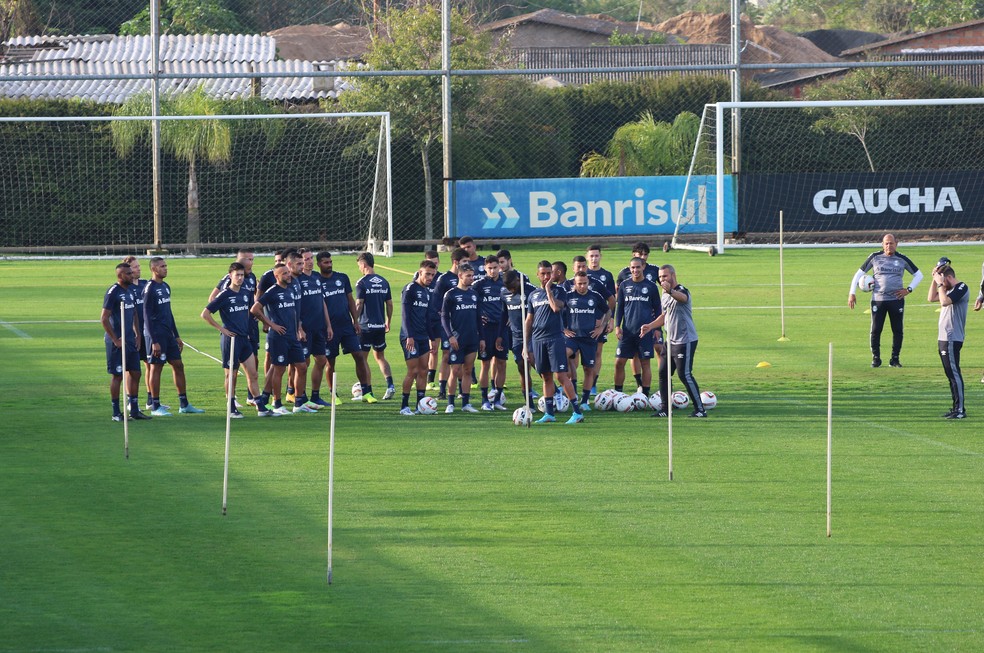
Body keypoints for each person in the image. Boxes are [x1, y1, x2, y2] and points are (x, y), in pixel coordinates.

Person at [201, 262, 271, 417]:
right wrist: (222, 329)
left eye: (242, 275)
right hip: (230, 340)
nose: (240, 278)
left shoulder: (246, 293)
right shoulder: (224, 295)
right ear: (230, 276)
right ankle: (231, 407)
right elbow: (205, 314)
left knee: (252, 373)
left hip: (244, 339)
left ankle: (260, 407)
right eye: (237, 275)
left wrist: (246, 329)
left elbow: (248, 312)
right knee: (230, 374)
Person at [848, 233, 923, 368]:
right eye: (886, 243)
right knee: (876, 329)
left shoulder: (902, 259)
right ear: (882, 245)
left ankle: (895, 359)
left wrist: (909, 289)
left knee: (897, 330)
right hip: (878, 300)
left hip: (896, 300)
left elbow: (919, 275)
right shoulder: (874, 257)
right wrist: (852, 293)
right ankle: (876, 358)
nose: (889, 246)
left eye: (891, 243)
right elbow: (858, 274)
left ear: (896, 243)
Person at [142, 257, 205, 415]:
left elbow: (168, 313)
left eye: (166, 266)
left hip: (168, 334)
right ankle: (155, 406)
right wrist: (154, 341)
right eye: (162, 266)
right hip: (156, 335)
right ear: (154, 269)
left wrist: (176, 335)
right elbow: (146, 316)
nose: (166, 268)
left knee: (178, 365)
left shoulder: (166, 287)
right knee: (156, 367)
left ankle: (184, 404)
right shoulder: (149, 288)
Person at [642, 264, 706, 418]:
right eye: (660, 277)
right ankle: (665, 408)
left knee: (685, 375)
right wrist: (650, 326)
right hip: (669, 341)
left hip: (685, 341)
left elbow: (683, 298)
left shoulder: (681, 290)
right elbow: (665, 316)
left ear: (673, 275)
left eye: (665, 276)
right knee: (663, 373)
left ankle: (700, 409)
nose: (662, 279)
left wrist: (670, 291)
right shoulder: (664, 294)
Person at [525, 260, 584, 425]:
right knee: (545, 376)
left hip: (554, 339)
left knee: (561, 376)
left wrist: (549, 289)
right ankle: (549, 414)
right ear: (538, 275)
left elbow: (556, 308)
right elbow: (529, 320)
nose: (546, 277)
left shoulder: (559, 291)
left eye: (548, 273)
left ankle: (577, 412)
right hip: (537, 340)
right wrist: (526, 343)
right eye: (543, 273)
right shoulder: (533, 295)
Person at [251, 262, 307, 415]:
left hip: (292, 336)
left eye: (288, 273)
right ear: (276, 276)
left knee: (302, 367)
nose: (288, 275)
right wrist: (270, 324)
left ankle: (299, 402)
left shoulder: (290, 289)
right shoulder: (272, 291)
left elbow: (294, 312)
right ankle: (277, 404)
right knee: (279, 369)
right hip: (278, 337)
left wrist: (297, 329)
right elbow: (255, 309)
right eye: (284, 273)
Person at [317, 251, 370, 405]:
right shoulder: (316, 281)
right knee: (330, 362)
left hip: (347, 326)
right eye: (326, 262)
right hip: (329, 329)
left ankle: (366, 392)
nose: (329, 265)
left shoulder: (342, 278)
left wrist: (356, 320)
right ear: (319, 264)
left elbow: (350, 300)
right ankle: (334, 394)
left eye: (330, 262)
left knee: (359, 356)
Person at [208, 249, 259, 406]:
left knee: (253, 364)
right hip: (232, 333)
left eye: (251, 259)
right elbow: (212, 301)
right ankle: (231, 398)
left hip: (248, 330)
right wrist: (224, 325)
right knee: (232, 371)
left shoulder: (251, 279)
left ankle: (253, 398)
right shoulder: (228, 282)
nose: (250, 262)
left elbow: (252, 301)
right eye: (246, 259)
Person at [101, 263, 150, 421]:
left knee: (136, 372)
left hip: (130, 340)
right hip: (117, 342)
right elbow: (104, 318)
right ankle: (116, 412)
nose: (132, 275)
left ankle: (134, 410)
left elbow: (135, 312)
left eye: (131, 272)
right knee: (118, 375)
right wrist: (115, 339)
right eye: (128, 273)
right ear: (120, 275)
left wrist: (137, 334)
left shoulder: (129, 291)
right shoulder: (113, 292)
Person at [613, 257, 662, 405]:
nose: (635, 270)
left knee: (645, 363)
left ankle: (645, 395)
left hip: (645, 332)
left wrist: (657, 328)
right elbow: (620, 307)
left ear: (643, 268)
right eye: (632, 268)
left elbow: (658, 309)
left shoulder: (651, 286)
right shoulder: (624, 285)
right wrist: (617, 326)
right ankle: (618, 394)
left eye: (638, 267)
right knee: (619, 362)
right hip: (627, 332)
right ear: (629, 268)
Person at [294, 248, 333, 411]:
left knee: (322, 360)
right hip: (306, 329)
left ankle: (315, 396)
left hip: (319, 328)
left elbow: (322, 301)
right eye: (305, 259)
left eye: (310, 258)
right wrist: (299, 327)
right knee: (302, 364)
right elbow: (294, 305)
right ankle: (299, 399)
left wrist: (328, 325)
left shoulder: (317, 277)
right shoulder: (296, 280)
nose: (309, 261)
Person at [564, 270, 609, 412]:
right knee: (565, 356)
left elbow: (608, 311)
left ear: (588, 283)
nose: (582, 287)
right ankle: (571, 390)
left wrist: (601, 327)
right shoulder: (567, 296)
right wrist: (563, 330)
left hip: (589, 338)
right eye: (579, 284)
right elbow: (556, 312)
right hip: (572, 337)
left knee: (588, 369)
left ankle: (584, 400)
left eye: (584, 284)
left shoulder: (595, 296)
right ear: (574, 283)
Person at [929, 260, 968, 419]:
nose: (941, 285)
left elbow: (944, 302)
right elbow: (931, 298)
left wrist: (940, 284)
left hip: (952, 337)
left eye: (943, 281)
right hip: (944, 337)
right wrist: (935, 279)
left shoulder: (961, 287)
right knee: (950, 373)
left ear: (949, 278)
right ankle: (955, 407)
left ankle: (960, 410)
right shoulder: (948, 289)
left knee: (954, 373)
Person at [440, 263, 481, 413]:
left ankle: (465, 403)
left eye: (472, 275)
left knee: (468, 370)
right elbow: (444, 317)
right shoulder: (450, 294)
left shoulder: (474, 294)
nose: (472, 278)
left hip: (472, 338)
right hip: (457, 339)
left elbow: (478, 318)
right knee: (455, 370)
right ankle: (450, 403)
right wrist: (450, 336)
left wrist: (481, 338)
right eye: (468, 276)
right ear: (460, 276)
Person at [399, 259, 438, 415]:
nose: (430, 278)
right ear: (420, 272)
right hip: (410, 337)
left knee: (424, 371)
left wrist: (432, 337)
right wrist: (409, 335)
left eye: (433, 275)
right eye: (427, 274)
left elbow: (428, 317)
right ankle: (404, 406)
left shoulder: (427, 293)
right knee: (413, 371)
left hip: (423, 337)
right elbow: (405, 314)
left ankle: (420, 406)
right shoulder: (410, 289)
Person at [355, 252, 395, 402]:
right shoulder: (384, 282)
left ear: (364, 264)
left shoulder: (362, 283)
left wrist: (355, 320)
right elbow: (390, 304)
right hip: (379, 326)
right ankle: (390, 385)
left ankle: (368, 392)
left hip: (365, 326)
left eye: (359, 265)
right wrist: (388, 321)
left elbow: (359, 303)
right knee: (380, 357)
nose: (359, 268)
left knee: (362, 360)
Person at [473, 255, 508, 411]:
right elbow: (470, 301)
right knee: (485, 364)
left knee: (501, 363)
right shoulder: (479, 285)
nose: (493, 271)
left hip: (502, 329)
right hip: (486, 329)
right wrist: (479, 316)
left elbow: (513, 301)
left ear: (499, 267)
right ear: (485, 268)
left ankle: (498, 399)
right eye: (490, 268)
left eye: (495, 267)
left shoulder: (506, 283)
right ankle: (484, 400)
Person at [432, 247, 467, 399]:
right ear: (456, 262)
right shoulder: (444, 279)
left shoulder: (466, 278)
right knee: (447, 356)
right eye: (464, 261)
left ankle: (461, 389)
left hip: (463, 325)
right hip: (448, 327)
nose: (467, 264)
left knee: (463, 357)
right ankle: (442, 390)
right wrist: (445, 318)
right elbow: (435, 302)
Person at [123, 255, 157, 411]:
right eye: (135, 267)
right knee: (132, 368)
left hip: (148, 332)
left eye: (139, 266)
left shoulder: (146, 285)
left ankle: (151, 399)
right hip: (133, 335)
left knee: (150, 364)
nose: (139, 269)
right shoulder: (125, 288)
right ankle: (131, 401)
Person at [502, 270, 539, 409]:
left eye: (513, 286)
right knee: (522, 368)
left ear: (518, 280)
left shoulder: (531, 291)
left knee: (537, 365)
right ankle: (529, 403)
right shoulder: (504, 293)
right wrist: (500, 335)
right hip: (516, 337)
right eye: (508, 288)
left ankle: (554, 393)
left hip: (533, 335)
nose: (511, 290)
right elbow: (503, 315)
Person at [585, 245, 616, 395]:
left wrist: (611, 320)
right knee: (576, 353)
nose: (594, 259)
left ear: (600, 257)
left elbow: (612, 300)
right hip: (583, 318)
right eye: (591, 256)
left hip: (601, 319)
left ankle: (593, 384)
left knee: (597, 352)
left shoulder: (607, 276)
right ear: (587, 257)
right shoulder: (582, 275)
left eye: (596, 256)